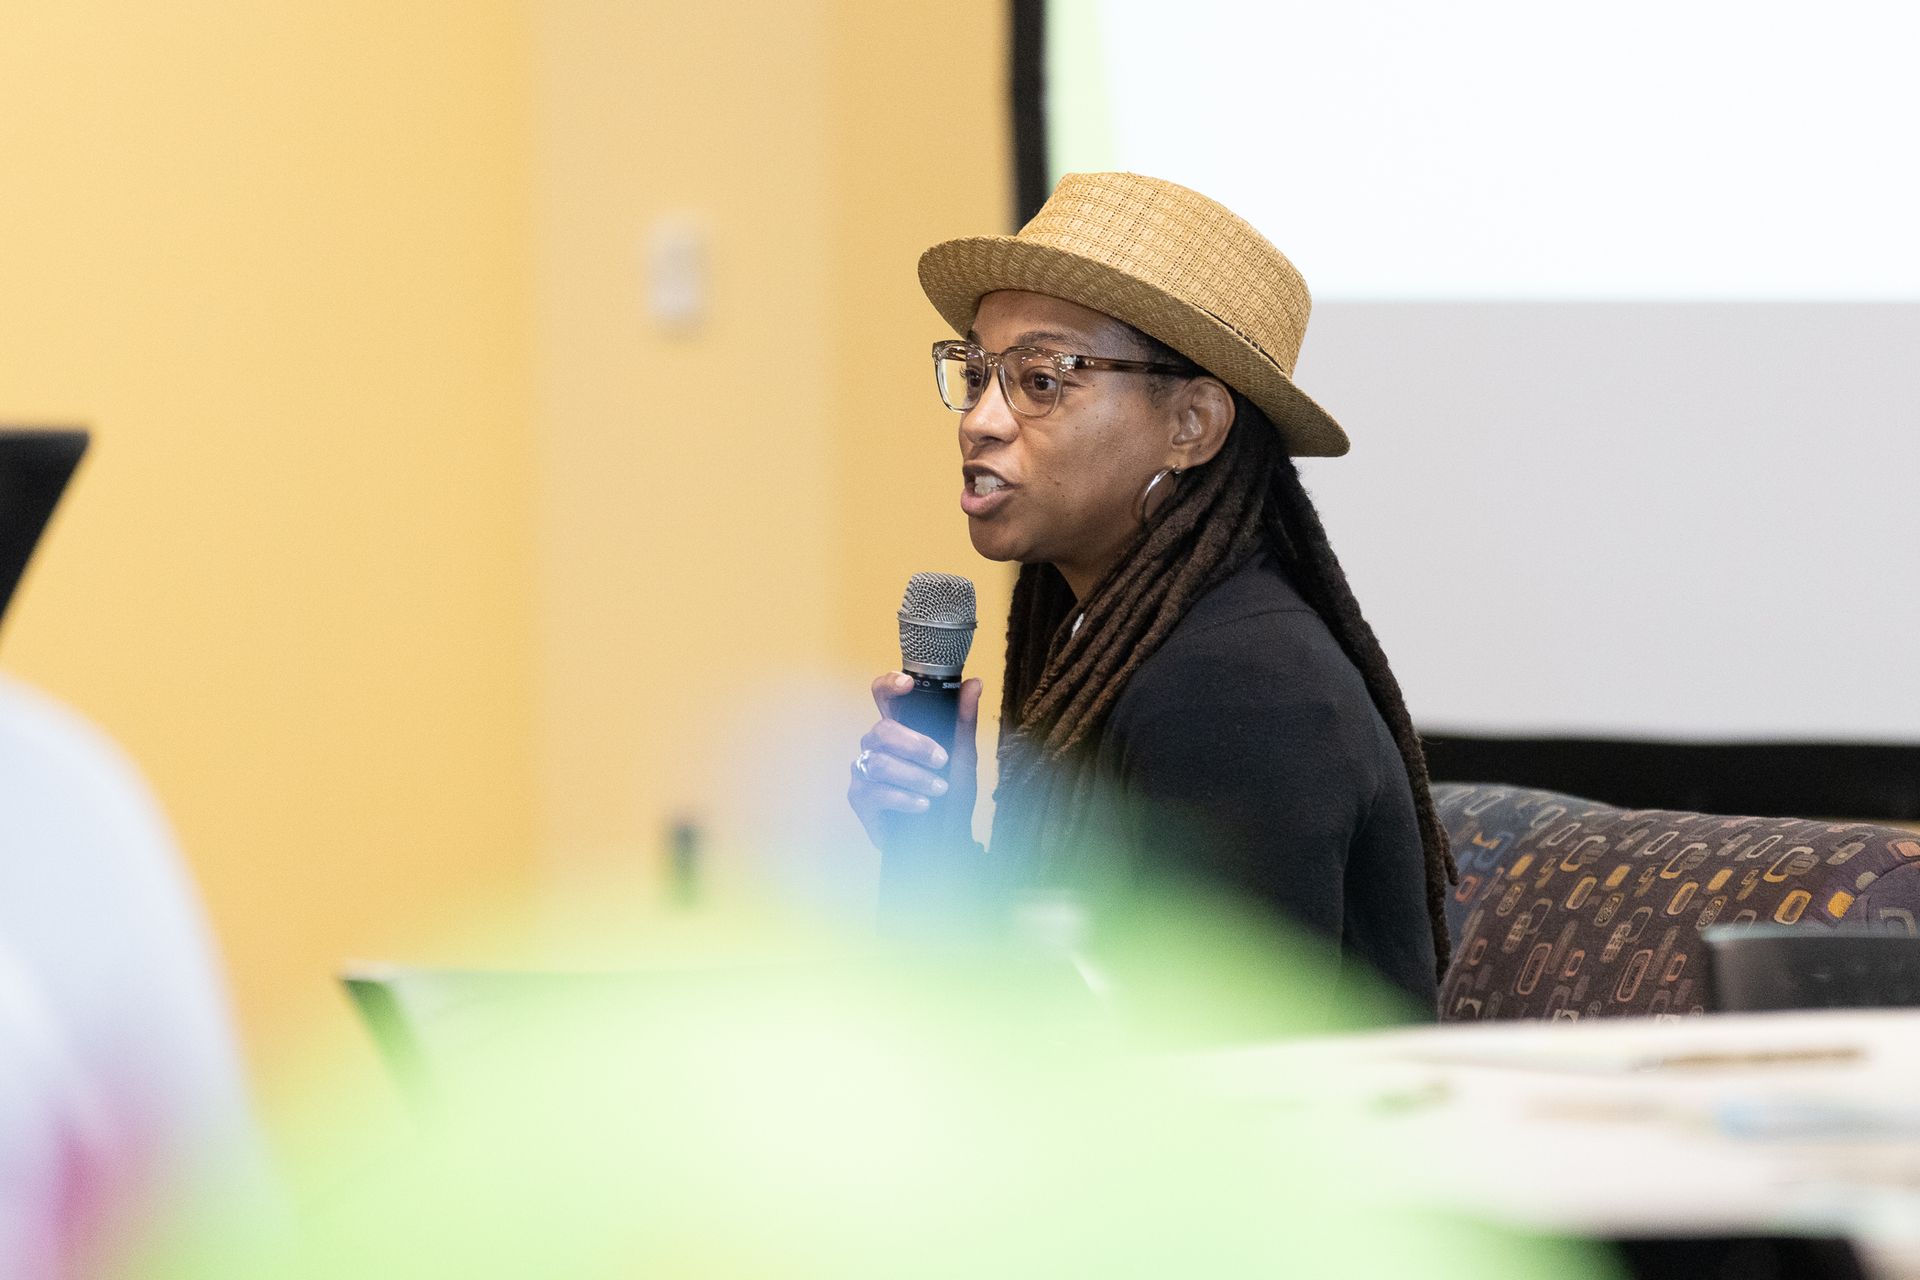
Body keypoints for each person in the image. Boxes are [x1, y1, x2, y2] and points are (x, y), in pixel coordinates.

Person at [846, 173, 1453, 1011]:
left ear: (1193, 425)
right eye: (978, 371)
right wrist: (932, 844)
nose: (980, 419)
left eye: (1043, 378)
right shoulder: (1114, 651)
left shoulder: (1244, 689)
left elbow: (1213, 1069)